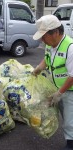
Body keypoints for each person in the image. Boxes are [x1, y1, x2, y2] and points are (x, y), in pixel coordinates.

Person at [32, 14, 73, 150]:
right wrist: (38, 69)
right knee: (64, 116)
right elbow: (47, 59)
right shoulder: (50, 45)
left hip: (69, 91)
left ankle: (71, 144)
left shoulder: (70, 48)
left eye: (44, 36)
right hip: (56, 88)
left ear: (55, 32)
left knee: (69, 120)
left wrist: (60, 93)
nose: (43, 40)